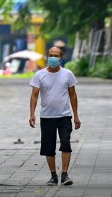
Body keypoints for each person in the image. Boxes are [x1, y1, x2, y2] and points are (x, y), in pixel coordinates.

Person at [29, 46, 81, 186]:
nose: (53, 57)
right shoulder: (39, 75)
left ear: (61, 58)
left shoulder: (68, 74)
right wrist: (32, 114)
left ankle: (64, 175)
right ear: (47, 56)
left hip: (64, 116)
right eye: (51, 55)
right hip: (47, 117)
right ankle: (53, 176)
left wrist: (76, 116)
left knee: (66, 144)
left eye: (56, 55)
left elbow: (73, 95)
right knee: (48, 147)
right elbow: (34, 96)